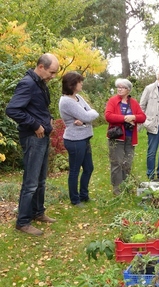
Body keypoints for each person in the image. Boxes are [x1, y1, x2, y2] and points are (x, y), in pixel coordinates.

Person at [6, 53, 59, 236]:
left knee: (41, 180)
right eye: (51, 72)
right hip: (32, 137)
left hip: (42, 136)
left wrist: (48, 119)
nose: (53, 77)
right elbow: (12, 109)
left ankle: (38, 212)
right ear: (41, 67)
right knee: (30, 182)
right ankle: (23, 222)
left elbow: (38, 108)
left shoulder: (40, 84)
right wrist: (35, 124)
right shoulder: (27, 83)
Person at [59, 72, 99, 206]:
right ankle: (75, 200)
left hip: (84, 137)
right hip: (75, 140)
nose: (82, 84)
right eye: (79, 81)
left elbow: (93, 112)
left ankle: (84, 195)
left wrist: (85, 119)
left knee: (89, 168)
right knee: (75, 170)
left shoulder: (78, 98)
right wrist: (86, 117)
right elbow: (88, 116)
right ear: (72, 84)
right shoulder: (66, 101)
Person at [105, 78, 146, 195]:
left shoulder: (133, 103)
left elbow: (142, 117)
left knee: (127, 163)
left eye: (122, 87)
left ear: (128, 90)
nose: (119, 89)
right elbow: (108, 116)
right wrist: (124, 118)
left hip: (130, 137)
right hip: (117, 137)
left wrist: (134, 117)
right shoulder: (113, 101)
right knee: (116, 163)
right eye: (118, 87)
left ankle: (126, 186)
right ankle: (117, 189)